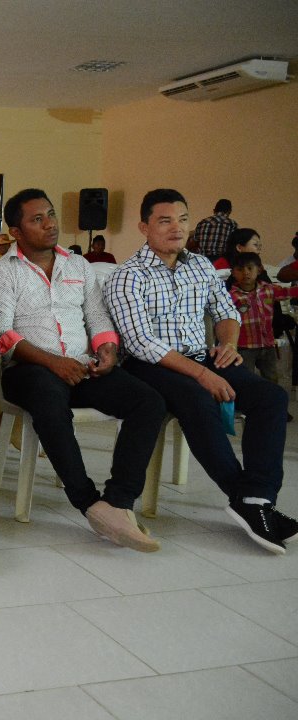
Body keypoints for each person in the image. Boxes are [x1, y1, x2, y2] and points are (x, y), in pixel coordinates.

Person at [104, 189, 294, 554]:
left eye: (183, 219)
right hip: (151, 366)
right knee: (197, 397)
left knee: (271, 397)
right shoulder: (128, 276)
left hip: (202, 357)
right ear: (144, 226)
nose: (176, 228)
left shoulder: (201, 266)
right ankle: (247, 499)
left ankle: (256, 498)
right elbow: (142, 343)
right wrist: (203, 375)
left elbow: (227, 312)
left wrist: (229, 345)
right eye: (165, 221)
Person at [0, 189, 165, 552]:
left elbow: (95, 314)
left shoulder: (77, 265)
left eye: (50, 214)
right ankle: (88, 501)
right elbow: (2, 335)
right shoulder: (0, 274)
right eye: (37, 219)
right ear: (15, 231)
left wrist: (106, 347)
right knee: (50, 403)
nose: (50, 224)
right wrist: (53, 362)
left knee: (149, 402)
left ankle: (118, 501)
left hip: (82, 365)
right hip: (28, 369)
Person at [228, 252, 298, 385]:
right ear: (233, 272)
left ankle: (269, 402)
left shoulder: (269, 290)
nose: (246, 273)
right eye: (240, 269)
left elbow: (287, 292)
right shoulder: (230, 297)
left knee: (271, 378)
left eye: (250, 268)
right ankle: (247, 404)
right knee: (245, 379)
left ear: (259, 270)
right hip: (244, 346)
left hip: (267, 345)